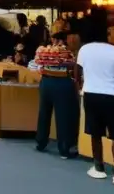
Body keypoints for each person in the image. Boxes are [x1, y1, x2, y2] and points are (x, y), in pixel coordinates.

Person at [77, 26, 114, 185]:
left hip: (90, 93)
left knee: (95, 132)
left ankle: (98, 167)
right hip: (113, 95)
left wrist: (81, 86)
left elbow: (78, 71)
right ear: (107, 36)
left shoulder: (84, 49)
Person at [30, 30, 78, 160]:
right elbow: (74, 66)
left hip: (46, 82)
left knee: (44, 113)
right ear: (64, 40)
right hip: (62, 83)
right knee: (62, 115)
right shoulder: (67, 52)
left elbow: (37, 65)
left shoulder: (42, 50)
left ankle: (41, 142)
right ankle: (64, 149)